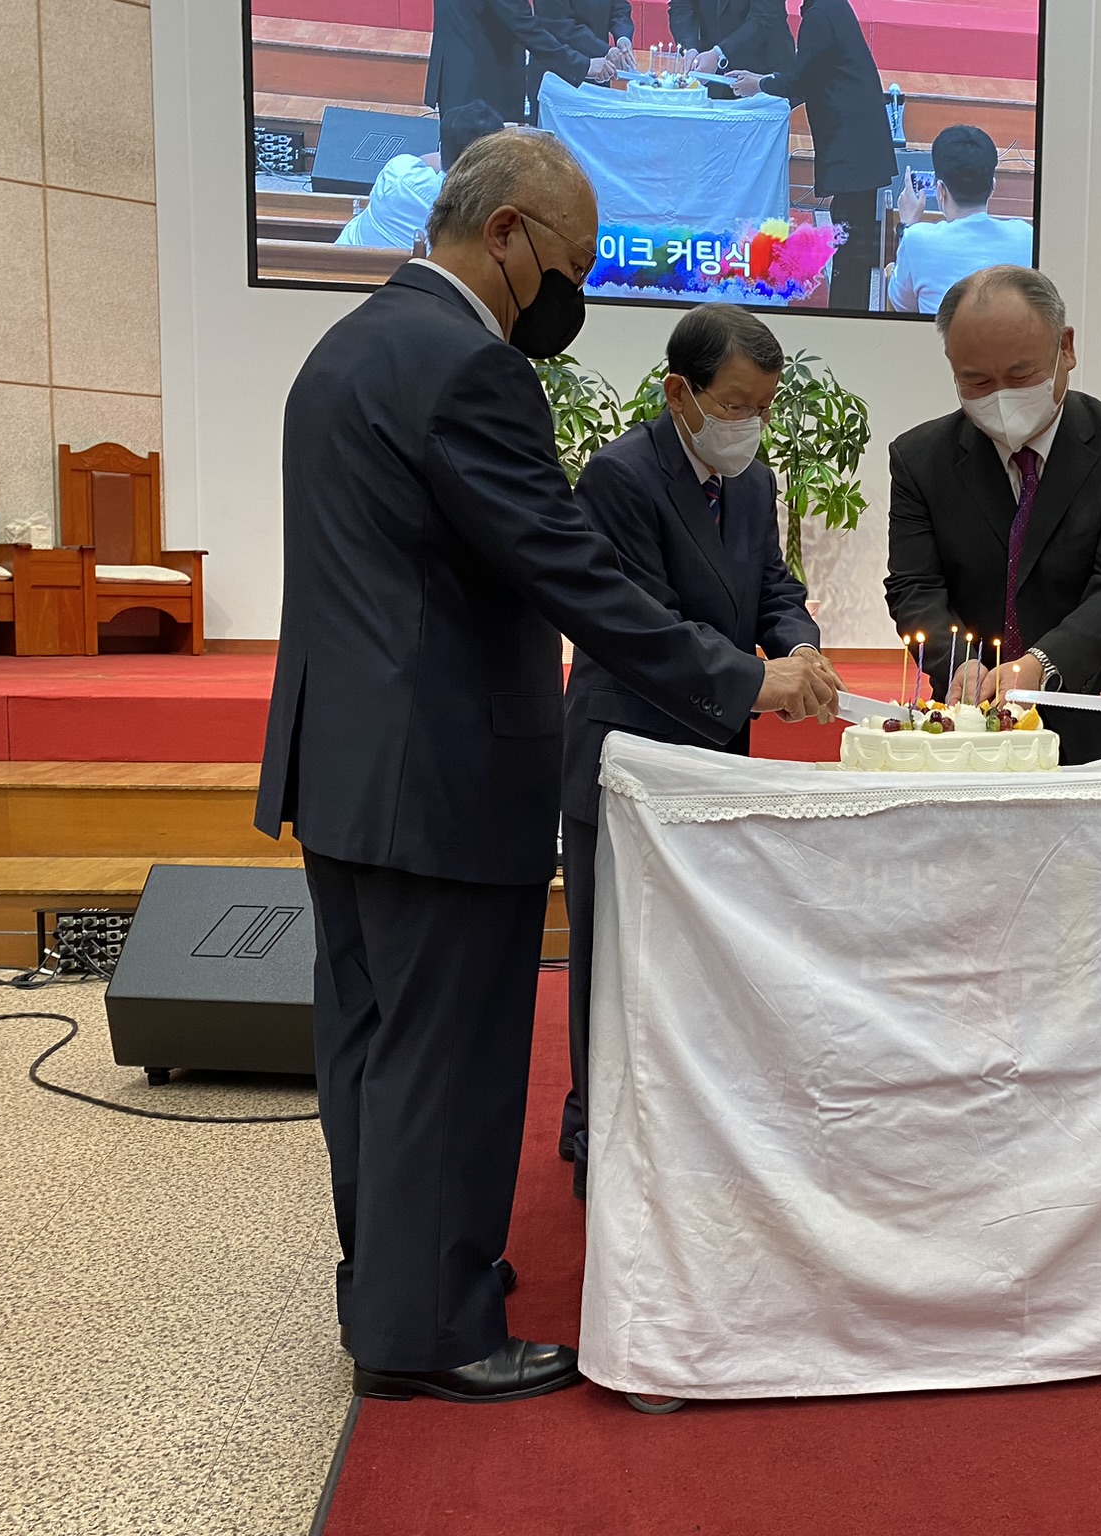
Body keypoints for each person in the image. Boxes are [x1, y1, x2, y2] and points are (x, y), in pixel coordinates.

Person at [255, 128, 837, 1407]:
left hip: (345, 764)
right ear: (505, 233)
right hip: (445, 769)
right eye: (570, 265)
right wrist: (741, 678)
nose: (571, 294)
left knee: (371, 1043)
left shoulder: (347, 346)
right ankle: (431, 1331)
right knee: (450, 1054)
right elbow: (568, 572)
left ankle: (395, 1282)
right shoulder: (471, 366)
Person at [556, 304, 830, 1195]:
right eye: (735, 405)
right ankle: (596, 1127)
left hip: (712, 753)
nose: (750, 425)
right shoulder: (621, 475)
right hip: (630, 747)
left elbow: (774, 586)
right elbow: (646, 626)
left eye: (764, 408)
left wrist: (798, 647)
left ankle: (687, 1119)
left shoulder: (751, 480)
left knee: (695, 951)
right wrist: (758, 682)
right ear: (680, 393)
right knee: (613, 953)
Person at [885, 265, 1101, 763]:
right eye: (975, 381)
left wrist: (1042, 662)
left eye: (1021, 375)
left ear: (1066, 348)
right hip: (971, 723)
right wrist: (958, 663)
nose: (1001, 396)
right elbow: (914, 586)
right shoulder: (919, 459)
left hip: (1098, 713)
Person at [729, 0, 896, 312]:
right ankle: (849, 310)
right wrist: (763, 80)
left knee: (850, 238)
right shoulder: (831, 8)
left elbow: (803, 78)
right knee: (851, 233)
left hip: (853, 145)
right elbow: (810, 74)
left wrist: (760, 84)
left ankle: (846, 314)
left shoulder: (819, 16)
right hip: (861, 142)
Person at [887, 125, 1034, 315]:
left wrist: (907, 225)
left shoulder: (916, 239)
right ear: (992, 187)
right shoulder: (1026, 236)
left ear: (940, 190)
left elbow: (902, 306)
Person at [335, 102, 505, 252]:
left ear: (441, 148)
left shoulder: (398, 172)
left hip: (343, 264)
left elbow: (426, 160)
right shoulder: (482, 212)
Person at [425, 0, 618, 126]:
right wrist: (583, 65)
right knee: (480, 165)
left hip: (457, 70)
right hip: (479, 82)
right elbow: (523, 24)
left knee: (460, 163)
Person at [669, 0, 794, 78]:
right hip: (710, 71)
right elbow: (681, 7)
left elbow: (764, 18)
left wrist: (720, 54)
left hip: (762, 72)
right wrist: (690, 47)